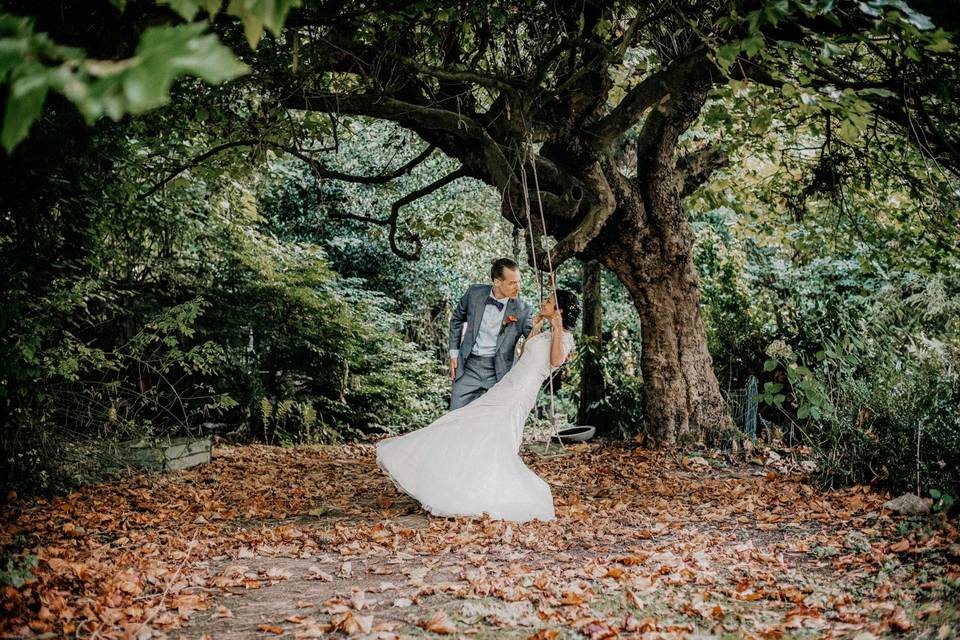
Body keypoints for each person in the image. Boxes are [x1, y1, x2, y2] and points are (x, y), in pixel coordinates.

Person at [375, 289, 580, 523]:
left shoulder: (565, 339)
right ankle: (458, 480)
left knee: (496, 434)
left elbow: (555, 361)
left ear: (559, 310)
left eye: (549, 301)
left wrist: (555, 327)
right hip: (508, 385)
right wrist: (536, 326)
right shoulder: (543, 333)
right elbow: (524, 355)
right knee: (471, 420)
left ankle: (485, 491)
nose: (543, 302)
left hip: (519, 393)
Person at [447, 258, 535, 410]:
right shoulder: (474, 294)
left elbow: (534, 340)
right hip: (469, 367)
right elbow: (456, 320)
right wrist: (454, 354)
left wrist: (543, 324)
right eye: (512, 283)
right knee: (454, 416)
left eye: (519, 282)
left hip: (500, 372)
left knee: (497, 420)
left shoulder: (523, 310)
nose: (518, 287)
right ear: (497, 282)